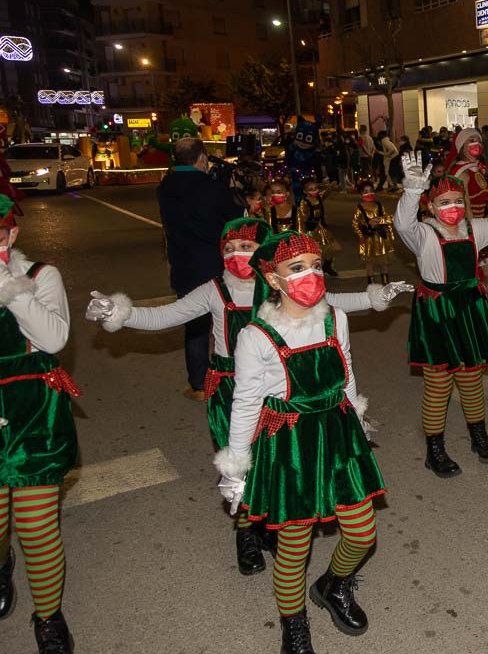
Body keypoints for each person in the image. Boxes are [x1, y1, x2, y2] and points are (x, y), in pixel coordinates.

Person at [84, 218, 408, 577]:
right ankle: (246, 534)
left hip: (287, 393)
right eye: (229, 248)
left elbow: (331, 303)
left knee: (280, 466)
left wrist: (375, 296)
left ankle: (277, 524)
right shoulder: (215, 291)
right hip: (231, 390)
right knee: (244, 466)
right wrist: (121, 313)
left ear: (263, 257)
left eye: (247, 247)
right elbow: (167, 316)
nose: (237, 254)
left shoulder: (284, 289)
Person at [212, 231, 385, 654]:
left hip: (339, 433)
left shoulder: (335, 317)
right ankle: (294, 624)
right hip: (289, 445)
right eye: (297, 268)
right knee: (294, 547)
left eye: (315, 264)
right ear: (273, 279)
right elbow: (246, 402)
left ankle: (332, 584)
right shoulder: (256, 336)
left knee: (362, 533)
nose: (311, 274)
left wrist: (356, 416)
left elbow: (345, 374)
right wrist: (236, 466)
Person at [396, 151, 488, 477]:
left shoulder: (475, 229)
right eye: (443, 202)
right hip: (437, 313)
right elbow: (401, 222)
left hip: (470, 309)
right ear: (430, 207)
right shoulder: (423, 235)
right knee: (439, 384)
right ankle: (435, 450)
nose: (452, 208)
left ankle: (478, 435)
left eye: (457, 201)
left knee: (472, 379)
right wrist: (412, 191)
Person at [0, 196, 79, 653]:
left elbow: (52, 338)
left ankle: (48, 616)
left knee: (35, 524)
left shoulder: (40, 276)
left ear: (11, 236)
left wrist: (9, 288)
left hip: (33, 411)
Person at [157, 137, 242, 401]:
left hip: (183, 265)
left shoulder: (164, 187)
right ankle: (233, 375)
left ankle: (199, 383)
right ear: (201, 159)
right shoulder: (212, 187)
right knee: (228, 321)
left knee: (195, 326)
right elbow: (235, 220)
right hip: (214, 265)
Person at [447, 128, 488, 299]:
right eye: (470, 140)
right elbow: (464, 207)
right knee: (482, 274)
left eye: (478, 140)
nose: (476, 144)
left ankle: (480, 310)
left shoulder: (476, 169)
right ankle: (474, 312)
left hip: (482, 226)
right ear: (461, 146)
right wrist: (474, 234)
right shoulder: (461, 172)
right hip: (469, 229)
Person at [352, 179, 397, 286]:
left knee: (384, 262)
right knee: (369, 262)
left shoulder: (379, 205)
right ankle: (371, 284)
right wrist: (361, 235)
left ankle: (386, 282)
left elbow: (388, 219)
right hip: (368, 239)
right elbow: (355, 224)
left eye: (371, 190)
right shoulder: (359, 208)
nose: (369, 193)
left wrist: (391, 235)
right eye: (365, 191)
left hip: (381, 239)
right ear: (361, 194)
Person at [297, 178, 341, 277]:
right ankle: (315, 272)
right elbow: (302, 218)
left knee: (334, 248)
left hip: (321, 228)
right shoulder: (304, 203)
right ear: (305, 191)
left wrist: (331, 186)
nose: (314, 191)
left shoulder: (319, 197)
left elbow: (326, 192)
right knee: (316, 252)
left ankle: (327, 266)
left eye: (316, 188)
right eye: (311, 189)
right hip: (311, 230)